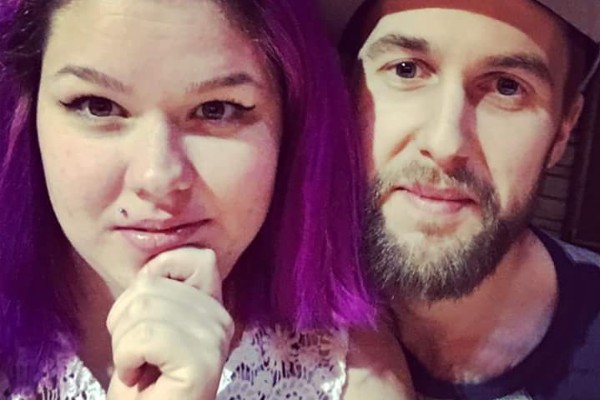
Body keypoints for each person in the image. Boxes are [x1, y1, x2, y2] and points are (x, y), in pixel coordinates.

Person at [0, 0, 413, 399]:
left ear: (292, 124)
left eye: (216, 110)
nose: (158, 178)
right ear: (26, 109)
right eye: (98, 106)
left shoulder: (353, 377)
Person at [318, 0, 600, 398]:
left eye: (507, 87)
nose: (445, 143)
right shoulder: (258, 320)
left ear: (562, 132)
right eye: (406, 69)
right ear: (344, 92)